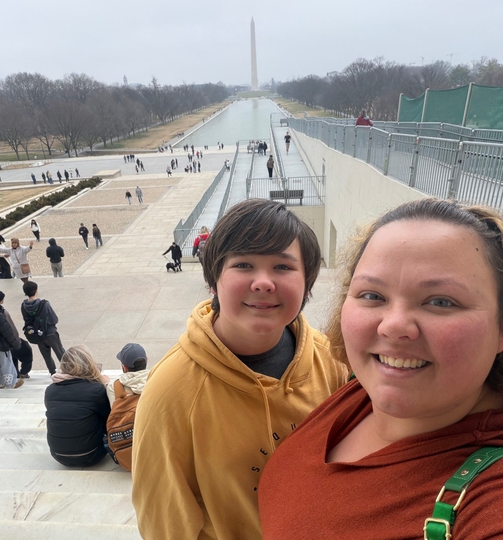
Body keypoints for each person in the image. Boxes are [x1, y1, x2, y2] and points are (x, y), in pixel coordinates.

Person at [259, 198, 503, 540]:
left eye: (441, 301)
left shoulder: (488, 500)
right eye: (372, 295)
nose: (393, 326)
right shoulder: (361, 387)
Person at [132, 199, 349, 540]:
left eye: (283, 266)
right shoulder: (171, 391)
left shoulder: (331, 360)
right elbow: (163, 522)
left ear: (307, 285)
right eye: (243, 264)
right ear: (213, 281)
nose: (263, 283)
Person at [44, 345, 111, 467]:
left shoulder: (50, 390)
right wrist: (105, 386)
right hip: (93, 454)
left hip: (58, 455)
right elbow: (109, 417)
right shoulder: (96, 390)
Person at [21, 281, 65, 376]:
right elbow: (54, 319)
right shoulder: (44, 304)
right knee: (60, 352)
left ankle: (52, 372)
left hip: (36, 333)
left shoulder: (23, 306)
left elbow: (26, 319)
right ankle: (67, 370)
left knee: (46, 354)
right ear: (36, 291)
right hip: (50, 332)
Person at [0, 289, 33, 380]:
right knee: (26, 352)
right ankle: (23, 373)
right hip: (8, 340)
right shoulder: (2, 312)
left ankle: (15, 373)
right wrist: (17, 340)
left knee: (11, 357)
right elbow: (11, 327)